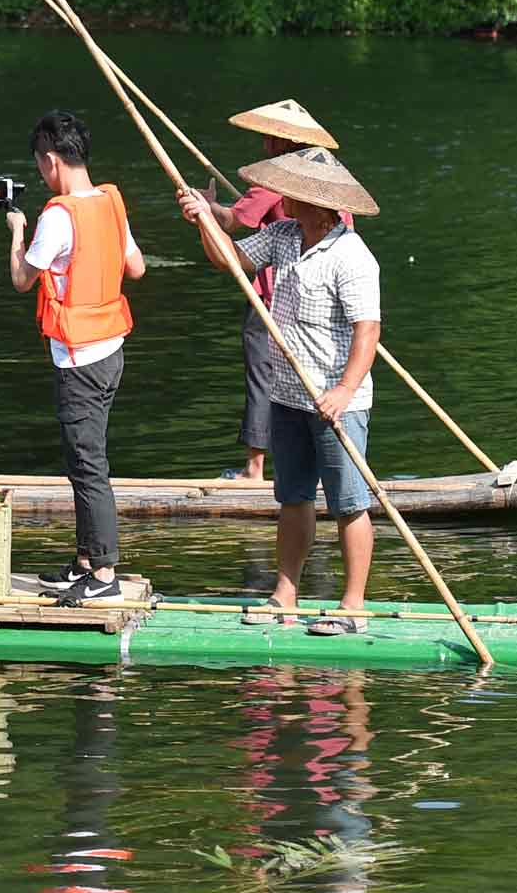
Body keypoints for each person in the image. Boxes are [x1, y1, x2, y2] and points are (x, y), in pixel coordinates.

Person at [176, 146, 382, 636]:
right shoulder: (284, 236)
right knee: (292, 498)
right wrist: (205, 219)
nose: (282, 198)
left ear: (315, 202)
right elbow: (230, 261)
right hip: (288, 396)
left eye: (292, 192)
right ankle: (284, 593)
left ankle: (353, 604)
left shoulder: (352, 255)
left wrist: (342, 389)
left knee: (350, 503)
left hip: (337, 402)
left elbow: (367, 332)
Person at [8, 111, 147, 605]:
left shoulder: (58, 215)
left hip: (80, 361)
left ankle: (105, 573)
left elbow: (23, 279)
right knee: (83, 460)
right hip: (111, 351)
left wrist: (16, 233)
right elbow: (137, 267)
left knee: (89, 465)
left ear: (51, 160)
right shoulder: (110, 201)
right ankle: (86, 561)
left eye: (41, 166)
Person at [197, 99, 343, 481]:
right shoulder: (330, 175)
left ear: (282, 141)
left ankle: (255, 468)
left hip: (275, 294)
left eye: (269, 137)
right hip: (323, 297)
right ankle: (317, 463)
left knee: (262, 371)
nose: (264, 145)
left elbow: (232, 222)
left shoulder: (277, 176)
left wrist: (208, 208)